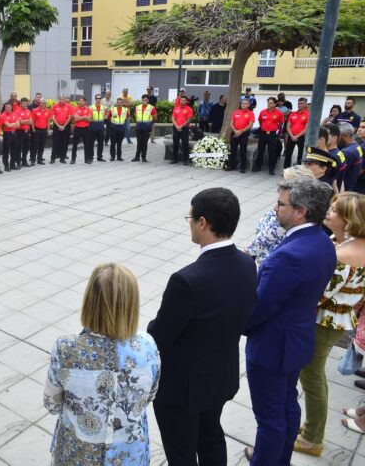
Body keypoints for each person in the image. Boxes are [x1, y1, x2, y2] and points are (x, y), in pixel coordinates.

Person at [148, 188, 255, 465]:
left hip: (183, 387)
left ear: (203, 223)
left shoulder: (187, 279)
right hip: (220, 376)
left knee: (181, 451)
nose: (190, 223)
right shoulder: (247, 264)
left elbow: (160, 335)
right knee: (210, 437)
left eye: (190, 217)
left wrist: (148, 327)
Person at [244, 178, 337, 465]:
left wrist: (239, 325)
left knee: (269, 417)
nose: (275, 209)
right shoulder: (322, 240)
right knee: (286, 405)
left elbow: (259, 307)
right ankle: (278, 458)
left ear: (301, 211)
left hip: (273, 346)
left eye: (281, 204)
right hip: (296, 339)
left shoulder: (289, 255)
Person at [44, 263, 160, 466]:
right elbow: (150, 395)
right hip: (131, 456)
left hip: (78, 455)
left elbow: (52, 404)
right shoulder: (147, 346)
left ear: (89, 301)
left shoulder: (66, 349)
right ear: (132, 304)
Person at [295, 192, 365, 456]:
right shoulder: (348, 242)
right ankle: (312, 430)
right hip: (336, 320)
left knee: (311, 377)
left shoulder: (345, 254)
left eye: (335, 210)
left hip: (324, 322)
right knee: (314, 376)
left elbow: (320, 293)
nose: (328, 211)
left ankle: (312, 438)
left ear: (348, 220)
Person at [245, 165, 315, 267]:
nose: (281, 182)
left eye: (285, 180)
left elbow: (265, 238)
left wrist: (247, 252)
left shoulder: (288, 213)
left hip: (270, 261)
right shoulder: (298, 203)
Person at [253, 97, 284, 175]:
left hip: (272, 134)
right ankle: (258, 166)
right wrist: (264, 128)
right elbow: (260, 121)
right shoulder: (263, 112)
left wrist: (277, 133)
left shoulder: (279, 113)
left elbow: (280, 124)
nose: (269, 104)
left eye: (271, 103)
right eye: (268, 103)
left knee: (271, 152)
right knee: (260, 151)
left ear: (275, 104)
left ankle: (271, 168)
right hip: (263, 133)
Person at [227, 99, 255, 173]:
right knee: (233, 150)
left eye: (245, 103)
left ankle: (243, 167)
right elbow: (231, 122)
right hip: (234, 133)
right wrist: (235, 131)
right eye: (242, 103)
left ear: (248, 105)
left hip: (244, 134)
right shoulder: (236, 112)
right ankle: (231, 165)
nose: (243, 104)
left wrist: (241, 131)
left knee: (243, 150)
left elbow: (250, 125)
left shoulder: (251, 113)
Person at [284, 97, 310, 168]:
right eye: (299, 103)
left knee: (300, 155)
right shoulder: (292, 114)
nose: (300, 105)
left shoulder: (308, 115)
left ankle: (298, 171)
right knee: (288, 154)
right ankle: (286, 170)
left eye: (302, 103)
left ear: (305, 104)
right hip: (291, 136)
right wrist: (292, 136)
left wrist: (297, 136)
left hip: (301, 137)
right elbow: (288, 127)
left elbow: (306, 128)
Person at [338, 124, 363, 191]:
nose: (336, 138)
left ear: (345, 135)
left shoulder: (347, 153)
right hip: (351, 185)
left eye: (338, 136)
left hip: (344, 189)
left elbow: (339, 176)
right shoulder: (356, 146)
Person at [170, 95, 194, 165]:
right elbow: (173, 118)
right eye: (181, 100)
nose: (182, 102)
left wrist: (181, 126)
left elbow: (189, 120)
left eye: (184, 100)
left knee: (185, 144)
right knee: (175, 144)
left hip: (185, 128)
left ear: (186, 101)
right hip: (176, 128)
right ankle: (174, 159)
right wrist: (177, 126)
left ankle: (185, 160)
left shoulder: (189, 109)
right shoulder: (176, 108)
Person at [132, 94, 157, 163]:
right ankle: (137, 157)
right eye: (143, 100)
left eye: (145, 100)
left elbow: (155, 118)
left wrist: (150, 123)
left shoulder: (152, 108)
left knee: (144, 143)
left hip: (147, 128)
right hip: (139, 127)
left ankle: (143, 157)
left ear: (148, 100)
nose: (144, 101)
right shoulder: (137, 107)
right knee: (139, 142)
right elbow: (135, 115)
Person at [69, 96, 92, 164]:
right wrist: (84, 117)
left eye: (82, 101)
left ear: (85, 102)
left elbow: (89, 119)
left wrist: (81, 117)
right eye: (80, 101)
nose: (81, 102)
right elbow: (76, 119)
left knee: (86, 144)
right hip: (77, 128)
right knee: (75, 144)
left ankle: (86, 159)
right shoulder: (75, 109)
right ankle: (73, 159)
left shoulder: (88, 109)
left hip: (85, 129)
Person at [50, 95, 73, 164]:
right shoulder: (55, 106)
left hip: (66, 126)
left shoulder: (68, 106)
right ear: (58, 99)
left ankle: (62, 158)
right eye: (60, 99)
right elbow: (53, 117)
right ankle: (52, 158)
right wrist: (58, 126)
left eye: (63, 99)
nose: (62, 100)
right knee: (55, 143)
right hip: (57, 126)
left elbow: (69, 117)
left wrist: (64, 126)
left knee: (65, 143)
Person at [107, 97, 128, 162]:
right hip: (114, 128)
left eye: (120, 103)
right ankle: (112, 156)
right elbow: (109, 117)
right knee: (113, 143)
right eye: (118, 103)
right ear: (116, 103)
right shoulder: (112, 109)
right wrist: (113, 124)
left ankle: (119, 156)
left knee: (119, 143)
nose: (119, 104)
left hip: (121, 128)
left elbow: (126, 118)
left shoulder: (125, 110)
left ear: (122, 103)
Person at [87, 94, 107, 163]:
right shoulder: (90, 107)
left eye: (99, 98)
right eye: (97, 98)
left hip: (101, 127)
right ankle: (90, 157)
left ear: (101, 99)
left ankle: (100, 157)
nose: (98, 99)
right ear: (95, 99)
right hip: (93, 126)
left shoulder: (104, 107)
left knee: (101, 143)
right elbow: (88, 117)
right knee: (91, 143)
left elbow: (106, 116)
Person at [0, 102, 20, 171]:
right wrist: (14, 123)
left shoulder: (14, 114)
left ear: (11, 107)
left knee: (14, 149)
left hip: (14, 133)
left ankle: (12, 164)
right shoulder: (3, 115)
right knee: (6, 150)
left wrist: (12, 124)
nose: (7, 108)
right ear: (4, 108)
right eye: (6, 107)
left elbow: (18, 125)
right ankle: (6, 165)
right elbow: (8, 126)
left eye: (9, 107)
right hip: (7, 134)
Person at [31, 98, 50, 165]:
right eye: (40, 103)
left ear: (45, 104)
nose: (41, 104)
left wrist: (48, 130)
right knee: (35, 146)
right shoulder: (35, 110)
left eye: (43, 103)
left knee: (42, 146)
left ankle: (39, 159)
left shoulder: (48, 111)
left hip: (44, 131)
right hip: (36, 130)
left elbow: (48, 121)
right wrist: (33, 129)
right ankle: (33, 160)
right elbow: (32, 121)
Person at [15, 97, 33, 167]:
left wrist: (24, 121)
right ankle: (18, 162)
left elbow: (31, 122)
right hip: (20, 131)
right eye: (23, 103)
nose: (24, 104)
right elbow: (20, 122)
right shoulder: (17, 111)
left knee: (26, 147)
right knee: (19, 147)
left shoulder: (29, 111)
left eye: (26, 103)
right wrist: (26, 121)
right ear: (20, 103)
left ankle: (24, 161)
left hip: (27, 131)